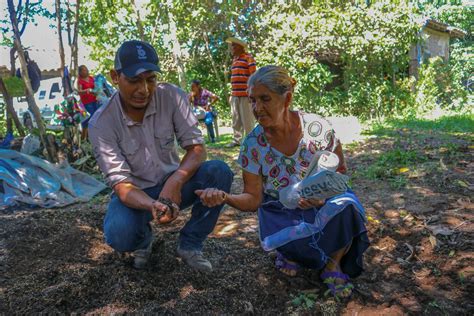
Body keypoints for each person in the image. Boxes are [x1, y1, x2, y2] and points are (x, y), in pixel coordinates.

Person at [196, 66, 369, 298]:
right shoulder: (253, 144)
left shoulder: (317, 129)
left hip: (320, 203)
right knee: (293, 243)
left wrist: (321, 197)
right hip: (282, 210)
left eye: (265, 99)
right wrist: (225, 197)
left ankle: (332, 264)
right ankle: (290, 253)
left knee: (347, 205)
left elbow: (339, 172)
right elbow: (253, 198)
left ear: (287, 98)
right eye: (252, 101)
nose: (257, 108)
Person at [88, 40, 233, 272]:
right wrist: (154, 204)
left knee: (219, 172)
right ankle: (143, 241)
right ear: (115, 77)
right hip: (136, 194)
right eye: (134, 80)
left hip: (176, 184)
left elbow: (197, 149)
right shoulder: (101, 124)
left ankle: (190, 244)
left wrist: (175, 181)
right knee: (118, 234)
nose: (143, 89)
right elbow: (122, 186)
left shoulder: (172, 96)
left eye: (150, 79)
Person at [225, 37, 256, 148]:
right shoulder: (235, 60)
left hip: (245, 95)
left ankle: (251, 141)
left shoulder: (248, 58)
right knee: (236, 119)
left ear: (240, 47)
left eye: (234, 45)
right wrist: (231, 93)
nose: (232, 48)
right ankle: (236, 140)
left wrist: (251, 93)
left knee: (247, 120)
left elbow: (253, 76)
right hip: (235, 95)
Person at [77, 65, 99, 140]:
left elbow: (96, 87)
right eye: (84, 70)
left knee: (96, 118)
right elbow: (79, 91)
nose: (86, 71)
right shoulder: (80, 80)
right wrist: (86, 90)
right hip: (86, 103)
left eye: (86, 69)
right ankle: (85, 138)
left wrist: (96, 91)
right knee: (88, 120)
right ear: (80, 72)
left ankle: (90, 137)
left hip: (95, 101)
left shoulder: (91, 78)